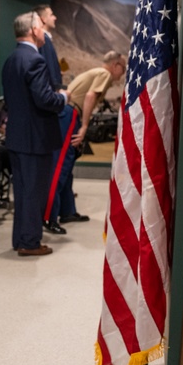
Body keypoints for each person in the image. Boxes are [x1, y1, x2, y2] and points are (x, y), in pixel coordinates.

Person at [2, 11, 67, 256]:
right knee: (33, 193)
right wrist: (63, 97)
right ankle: (29, 242)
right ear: (32, 29)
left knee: (22, 192)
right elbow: (45, 99)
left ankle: (21, 238)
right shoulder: (35, 60)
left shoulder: (11, 59)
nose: (43, 31)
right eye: (40, 25)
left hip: (18, 137)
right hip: (35, 139)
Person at [44, 51, 127, 232]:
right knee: (60, 167)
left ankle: (66, 210)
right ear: (115, 65)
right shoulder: (104, 74)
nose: (123, 73)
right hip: (70, 114)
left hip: (67, 114)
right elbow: (90, 96)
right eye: (123, 68)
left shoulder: (97, 72)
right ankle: (49, 217)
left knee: (67, 166)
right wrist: (84, 126)